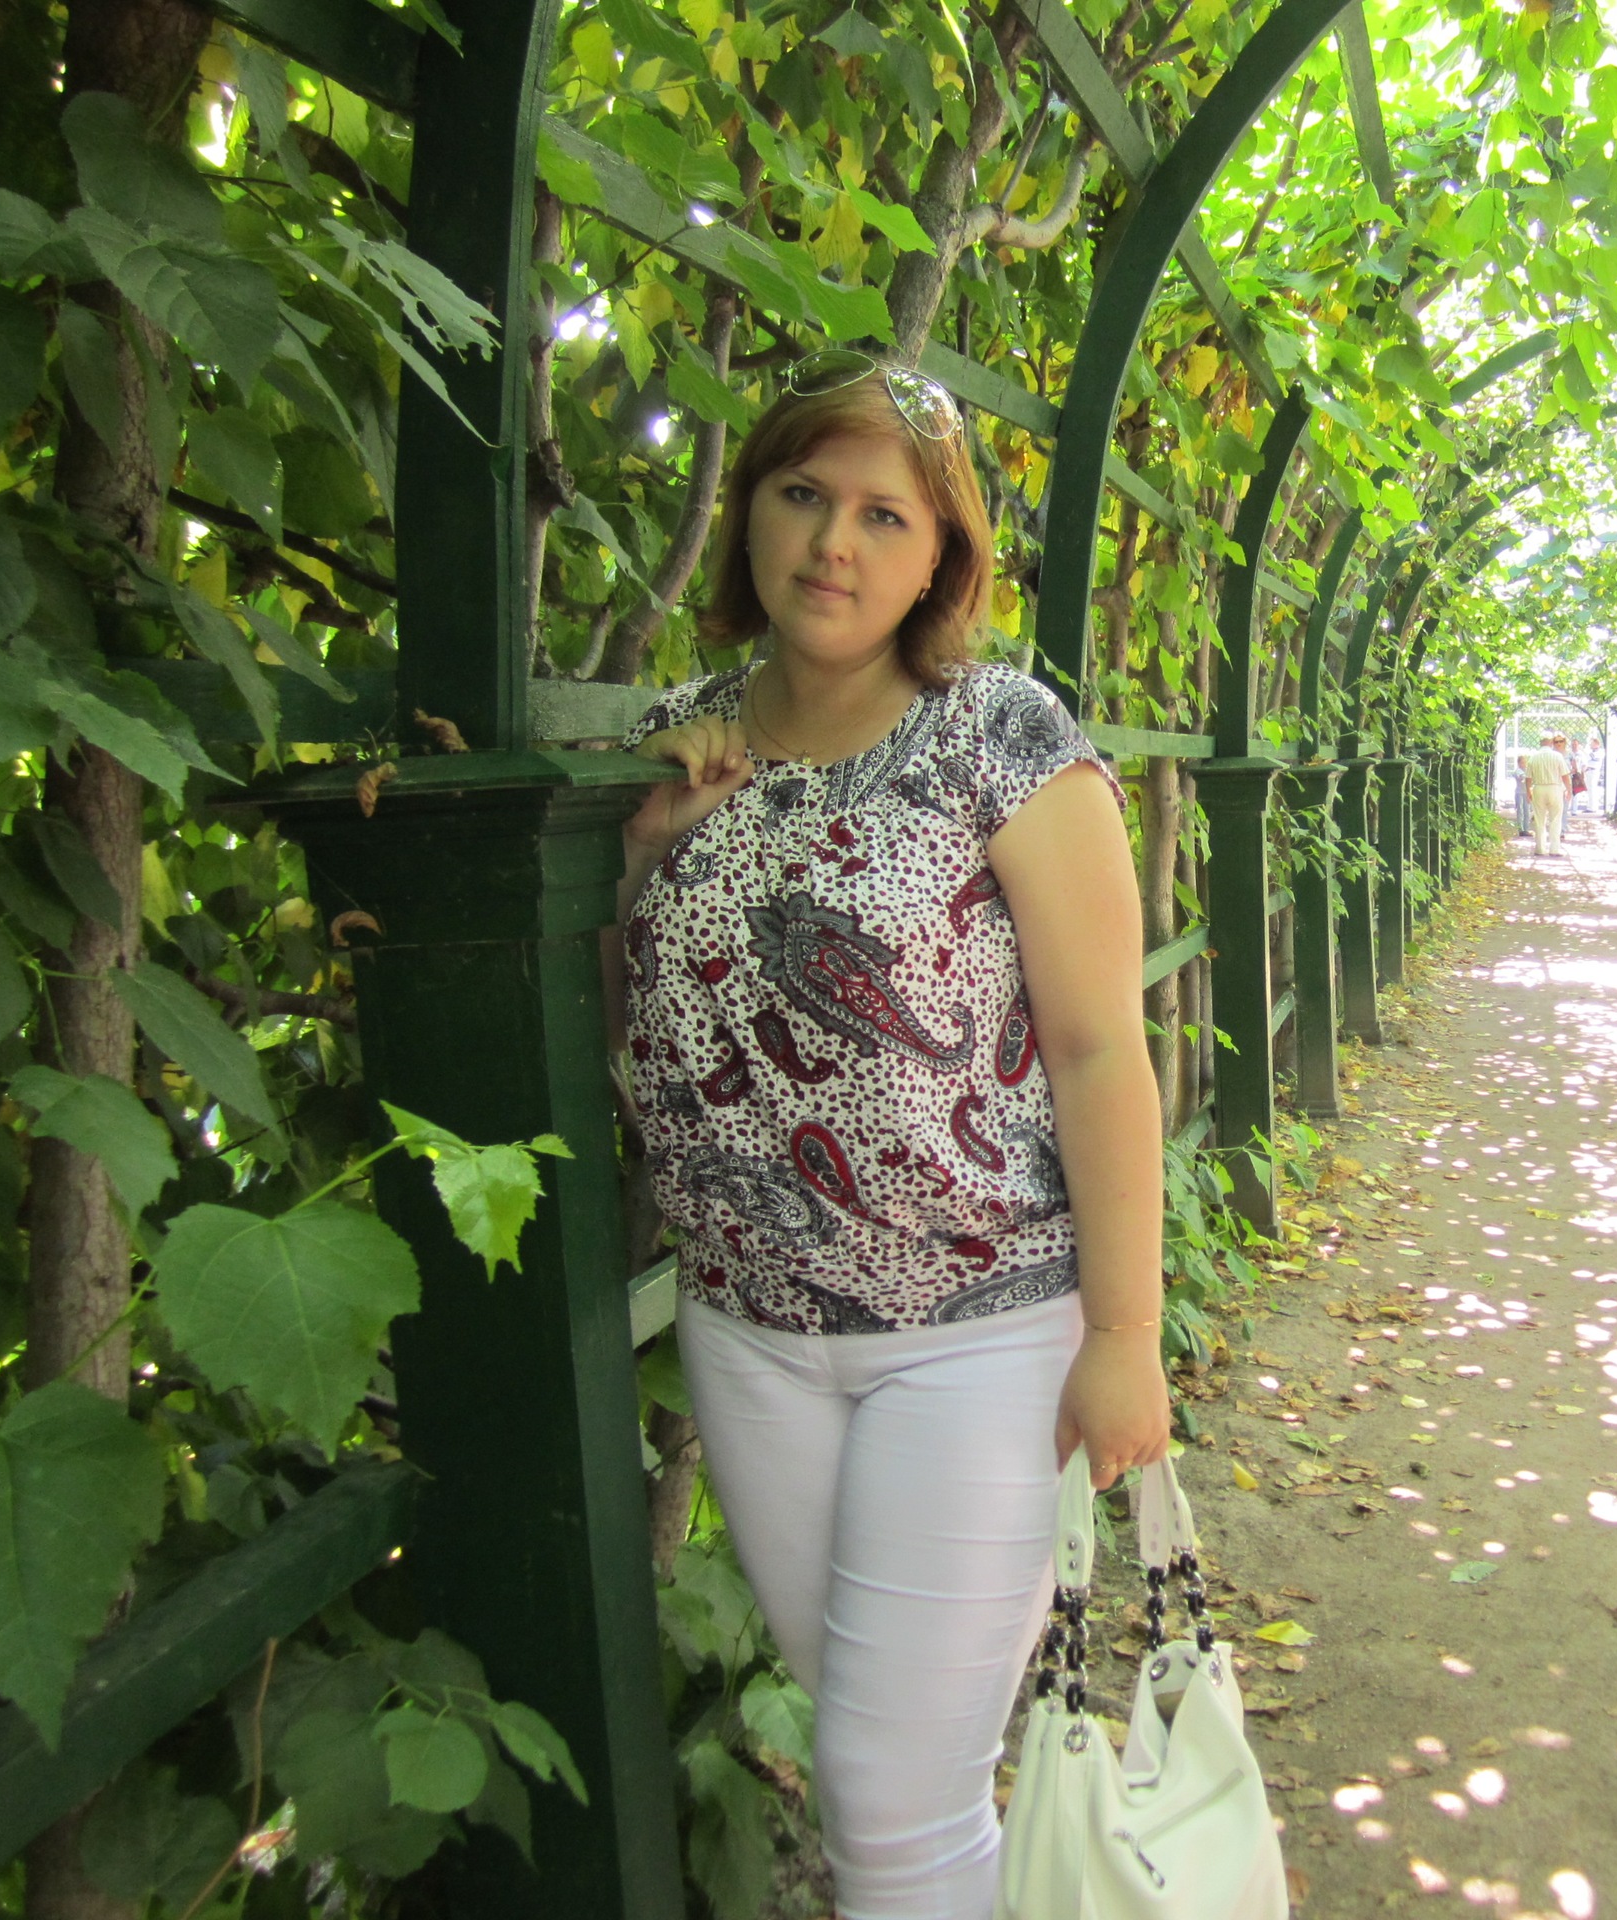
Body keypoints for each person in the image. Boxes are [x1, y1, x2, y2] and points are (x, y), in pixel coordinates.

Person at [613, 350, 1172, 1920]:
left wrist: (1124, 1335)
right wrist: (646, 858)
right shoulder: (677, 737)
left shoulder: (1001, 735)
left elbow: (1098, 1047)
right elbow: (641, 1033)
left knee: (885, 1792)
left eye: (883, 515)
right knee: (903, 1776)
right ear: (750, 511)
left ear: (941, 557)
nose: (832, 544)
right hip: (751, 1332)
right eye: (804, 494)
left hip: (980, 1333)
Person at [1524, 731, 1574, 856]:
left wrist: (1528, 791)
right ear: (1551, 742)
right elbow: (1565, 775)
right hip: (1555, 788)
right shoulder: (1557, 756)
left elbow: (1528, 778)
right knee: (1555, 819)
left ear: (1540, 743)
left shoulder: (1533, 757)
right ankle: (1554, 849)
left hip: (1538, 788)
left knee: (1539, 819)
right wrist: (1569, 790)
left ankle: (1540, 848)